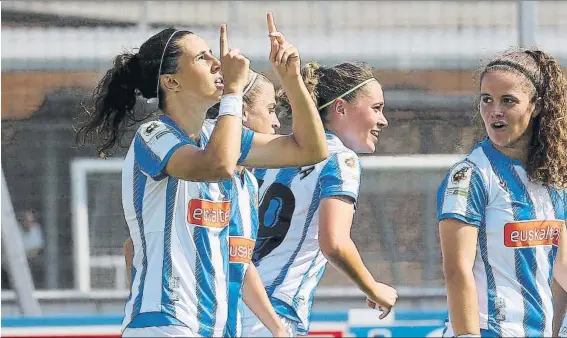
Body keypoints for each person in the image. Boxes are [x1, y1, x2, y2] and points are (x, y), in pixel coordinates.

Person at [76, 11, 327, 337]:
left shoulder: (218, 137)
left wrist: (291, 79)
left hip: (217, 328)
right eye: (202, 57)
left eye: (214, 54)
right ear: (171, 81)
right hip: (166, 324)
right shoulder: (154, 134)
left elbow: (311, 150)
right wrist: (233, 93)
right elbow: (216, 166)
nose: (217, 62)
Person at [241, 60, 398, 337]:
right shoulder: (340, 159)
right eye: (376, 108)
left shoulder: (272, 153)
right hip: (274, 309)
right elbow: (334, 242)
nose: (383, 120)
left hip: (238, 302)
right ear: (340, 108)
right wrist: (372, 287)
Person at [437, 49, 567, 337]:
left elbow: (561, 269)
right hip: (488, 330)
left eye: (508, 100)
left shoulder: (556, 178)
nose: (495, 110)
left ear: (537, 106)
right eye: (487, 99)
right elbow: (457, 270)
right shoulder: (469, 175)